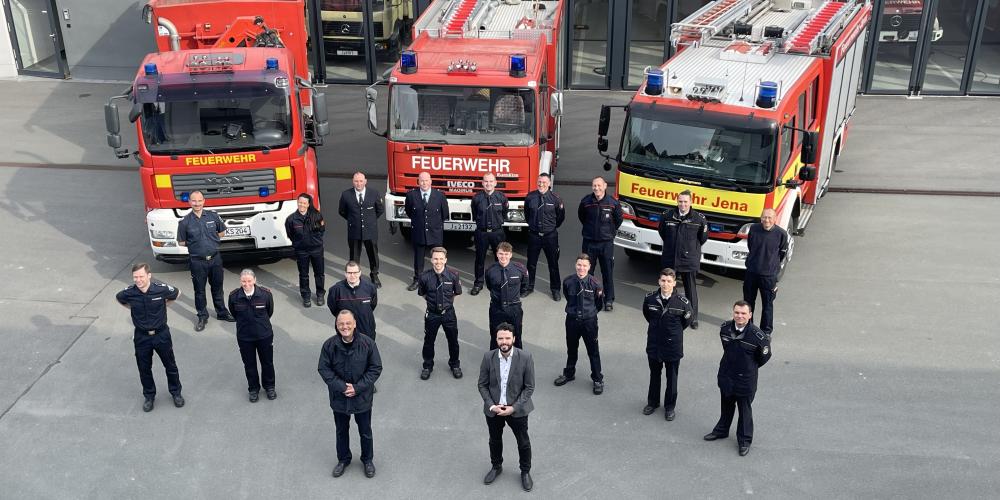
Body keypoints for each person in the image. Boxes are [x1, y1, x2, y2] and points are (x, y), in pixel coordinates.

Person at [318, 310, 383, 478]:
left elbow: (375, 368)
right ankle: (343, 459)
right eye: (341, 324)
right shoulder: (329, 345)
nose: (344, 326)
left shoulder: (368, 344)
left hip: (362, 397)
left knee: (365, 430)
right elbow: (324, 369)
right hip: (339, 397)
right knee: (341, 430)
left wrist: (357, 387)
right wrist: (341, 387)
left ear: (354, 324)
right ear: (336, 325)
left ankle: (367, 460)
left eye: (348, 323)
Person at [704, 300, 771, 457]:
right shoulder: (725, 329)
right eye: (736, 313)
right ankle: (721, 431)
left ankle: (744, 440)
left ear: (750, 315)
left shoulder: (758, 337)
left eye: (743, 313)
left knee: (744, 410)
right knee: (726, 405)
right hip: (727, 375)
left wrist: (748, 368)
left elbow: (763, 357)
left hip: (745, 379)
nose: (739, 316)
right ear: (733, 313)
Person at [115, 263, 184, 412]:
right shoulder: (129, 293)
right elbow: (119, 299)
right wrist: (132, 308)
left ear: (149, 275)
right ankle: (149, 396)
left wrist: (165, 306)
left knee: (170, 365)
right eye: (135, 277)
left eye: (141, 276)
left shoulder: (160, 289)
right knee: (144, 368)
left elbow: (177, 293)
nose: (138, 280)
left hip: (161, 335)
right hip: (142, 337)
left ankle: (176, 393)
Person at [478, 323, 535, 492]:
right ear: (496, 339)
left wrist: (514, 408)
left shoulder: (525, 357)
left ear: (514, 339)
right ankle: (496, 466)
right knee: (494, 440)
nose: (504, 341)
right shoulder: (488, 357)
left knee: (523, 442)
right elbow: (482, 385)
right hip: (494, 409)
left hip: (516, 410)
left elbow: (529, 387)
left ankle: (525, 471)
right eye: (501, 338)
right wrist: (491, 406)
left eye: (507, 338)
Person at [177, 190, 235, 331]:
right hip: (197, 261)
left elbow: (222, 232)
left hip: (215, 259)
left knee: (217, 288)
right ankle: (202, 316)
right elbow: (181, 242)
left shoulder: (213, 216)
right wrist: (197, 244)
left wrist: (210, 240)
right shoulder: (185, 222)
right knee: (199, 291)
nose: (197, 203)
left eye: (199, 200)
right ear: (189, 202)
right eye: (194, 201)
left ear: (204, 201)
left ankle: (222, 312)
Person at [642, 268, 693, 421]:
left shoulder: (683, 303)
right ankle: (653, 402)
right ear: (659, 281)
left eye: (669, 281)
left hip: (672, 346)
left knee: (672, 378)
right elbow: (647, 315)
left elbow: (686, 321)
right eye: (663, 281)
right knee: (654, 375)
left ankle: (669, 407)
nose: (665, 284)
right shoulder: (650, 299)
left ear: (674, 283)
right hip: (654, 344)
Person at [553, 254, 605, 395]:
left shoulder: (595, 284)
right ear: (575, 265)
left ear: (589, 267)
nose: (581, 268)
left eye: (584, 265)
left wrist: (589, 314)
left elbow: (599, 304)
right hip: (572, 320)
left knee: (593, 351)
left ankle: (597, 379)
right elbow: (568, 297)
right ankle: (569, 373)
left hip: (589, 322)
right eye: (579, 265)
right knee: (571, 348)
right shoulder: (568, 281)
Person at [657, 190, 707, 328]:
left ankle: (693, 318)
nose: (683, 204)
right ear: (676, 201)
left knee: (690, 289)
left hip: (688, 260)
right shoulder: (667, 216)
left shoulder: (699, 219)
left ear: (691, 202)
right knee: (667, 287)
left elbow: (702, 239)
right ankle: (667, 313)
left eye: (685, 201)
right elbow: (662, 232)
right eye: (680, 201)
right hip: (671, 258)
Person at [227, 269, 276, 403]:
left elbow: (269, 311)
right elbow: (234, 313)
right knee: (249, 364)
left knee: (267, 362)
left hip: (264, 335)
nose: (246, 284)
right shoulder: (234, 296)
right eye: (243, 281)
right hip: (245, 337)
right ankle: (253, 389)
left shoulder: (265, 295)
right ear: (240, 281)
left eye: (249, 281)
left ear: (254, 280)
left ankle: (270, 387)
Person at [417, 247, 463, 380]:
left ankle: (455, 365)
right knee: (429, 341)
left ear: (445, 260)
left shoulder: (453, 275)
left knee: (453, 340)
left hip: (448, 314)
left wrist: (447, 304)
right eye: (435, 258)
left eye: (441, 258)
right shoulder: (424, 276)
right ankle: (427, 366)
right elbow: (423, 293)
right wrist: (433, 305)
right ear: (431, 260)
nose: (438, 261)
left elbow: (456, 292)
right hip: (432, 314)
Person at [578, 177, 623, 311]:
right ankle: (588, 298)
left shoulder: (613, 203)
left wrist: (609, 232)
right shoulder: (586, 201)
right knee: (587, 272)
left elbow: (618, 219)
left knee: (607, 272)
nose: (596, 188)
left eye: (599, 185)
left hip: (606, 243)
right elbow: (582, 217)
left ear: (605, 186)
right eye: (594, 186)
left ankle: (608, 300)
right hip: (589, 242)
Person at [743, 208, 789, 334]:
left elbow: (782, 252)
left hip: (768, 276)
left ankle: (766, 331)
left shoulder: (781, 234)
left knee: (767, 305)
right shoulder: (753, 229)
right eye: (764, 217)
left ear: (775, 219)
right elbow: (750, 246)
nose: (766, 220)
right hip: (751, 272)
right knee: (748, 303)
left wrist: (771, 265)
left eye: (769, 218)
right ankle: (748, 328)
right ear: (760, 218)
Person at [404, 172, 450, 291]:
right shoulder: (411, 195)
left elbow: (444, 214)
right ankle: (418, 280)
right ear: (418, 182)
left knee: (438, 258)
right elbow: (409, 211)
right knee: (418, 259)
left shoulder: (440, 196)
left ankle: (441, 278)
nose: (424, 183)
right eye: (421, 181)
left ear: (431, 181)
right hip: (419, 232)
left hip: (435, 233)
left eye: (426, 180)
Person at [524, 172, 565, 301]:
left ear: (549, 184)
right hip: (534, 235)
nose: (541, 184)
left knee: (553, 264)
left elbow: (560, 218)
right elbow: (527, 215)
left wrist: (550, 228)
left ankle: (555, 289)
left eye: (544, 182)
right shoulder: (530, 197)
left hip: (550, 236)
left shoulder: (556, 199)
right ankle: (529, 287)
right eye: (539, 182)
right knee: (531, 263)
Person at [338, 172, 384, 288]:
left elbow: (379, 210)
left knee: (373, 254)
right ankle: (355, 276)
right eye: (356, 181)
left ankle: (374, 275)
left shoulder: (374, 193)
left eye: (361, 181)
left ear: (365, 181)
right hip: (354, 231)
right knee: (354, 256)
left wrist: (371, 221)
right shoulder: (346, 195)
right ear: (352, 182)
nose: (358, 184)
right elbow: (342, 211)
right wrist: (353, 221)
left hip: (370, 231)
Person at [470, 173, 508, 296]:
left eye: (491, 181)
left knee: (500, 259)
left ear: (495, 183)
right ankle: (478, 283)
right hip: (482, 233)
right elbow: (475, 214)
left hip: (497, 232)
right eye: (486, 181)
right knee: (480, 259)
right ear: (482, 183)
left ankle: (499, 282)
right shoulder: (477, 198)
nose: (488, 184)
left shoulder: (501, 198)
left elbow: (504, 213)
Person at [484, 242, 528, 350]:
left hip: (514, 308)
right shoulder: (490, 270)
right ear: (497, 254)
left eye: (506, 254)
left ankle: (517, 359)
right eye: (501, 254)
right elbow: (490, 286)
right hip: (496, 308)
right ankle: (494, 359)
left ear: (511, 255)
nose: (503, 256)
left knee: (517, 334)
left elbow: (524, 286)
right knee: (495, 335)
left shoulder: (520, 269)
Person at [285, 192, 326, 308]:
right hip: (302, 251)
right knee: (303, 274)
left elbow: (322, 229)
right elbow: (290, 234)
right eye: (299, 202)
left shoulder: (317, 215)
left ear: (308, 204)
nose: (301, 205)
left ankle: (320, 294)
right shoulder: (291, 219)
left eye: (304, 203)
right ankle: (306, 296)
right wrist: (299, 244)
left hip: (316, 249)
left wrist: (316, 241)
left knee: (319, 273)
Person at [328, 261, 378, 340]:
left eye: (355, 272)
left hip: (366, 329)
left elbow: (372, 305)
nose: (352, 275)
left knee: (367, 350)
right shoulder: (336, 289)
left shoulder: (370, 288)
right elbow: (333, 308)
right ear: (345, 274)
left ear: (360, 273)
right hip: (345, 330)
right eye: (349, 273)